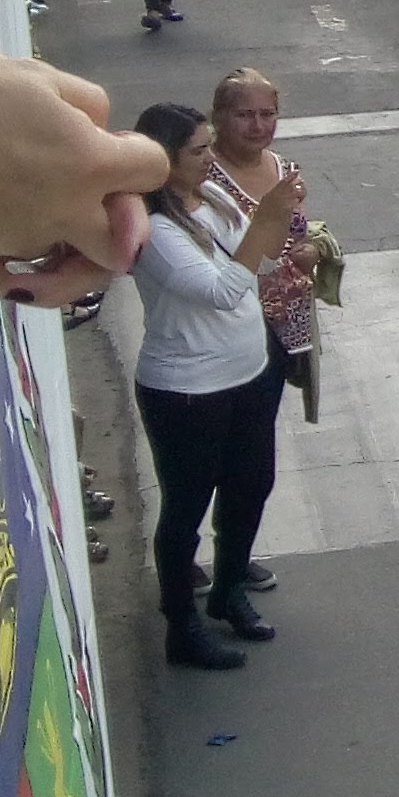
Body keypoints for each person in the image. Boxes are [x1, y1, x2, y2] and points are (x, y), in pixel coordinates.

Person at [126, 101, 305, 670]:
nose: (211, 158)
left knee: (252, 484)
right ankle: (182, 625)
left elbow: (260, 260)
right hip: (187, 391)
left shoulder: (213, 195)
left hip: (249, 372)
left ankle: (229, 591)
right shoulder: (155, 230)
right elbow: (224, 290)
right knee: (186, 508)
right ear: (162, 160)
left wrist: (288, 229)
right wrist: (267, 217)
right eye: (199, 150)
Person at [205, 69, 319, 458]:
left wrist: (314, 250)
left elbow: (301, 233)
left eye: (267, 114)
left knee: (256, 455)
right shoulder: (203, 177)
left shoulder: (285, 169)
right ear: (219, 118)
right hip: (228, 332)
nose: (258, 126)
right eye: (245, 115)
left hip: (282, 334)